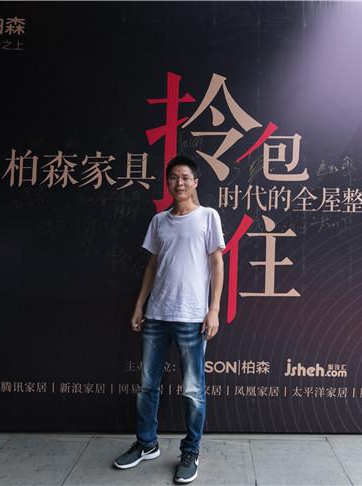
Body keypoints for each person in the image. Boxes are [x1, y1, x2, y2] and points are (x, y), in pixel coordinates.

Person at [113, 155, 225, 484]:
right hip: (157, 315)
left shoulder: (208, 217)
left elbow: (217, 263)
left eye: (185, 177)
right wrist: (139, 306)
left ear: (196, 182)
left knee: (193, 390)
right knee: (147, 386)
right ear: (168, 183)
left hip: (191, 317)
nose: (179, 182)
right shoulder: (159, 221)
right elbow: (152, 266)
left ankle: (191, 451)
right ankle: (146, 444)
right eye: (174, 177)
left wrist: (214, 309)